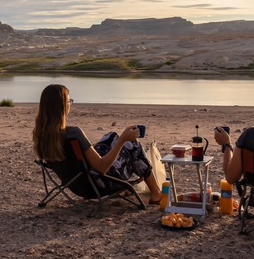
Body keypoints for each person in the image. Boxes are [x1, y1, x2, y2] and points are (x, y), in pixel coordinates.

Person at [32, 84, 163, 204]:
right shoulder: (74, 133)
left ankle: (131, 188)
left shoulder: (41, 135)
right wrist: (123, 139)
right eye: (68, 101)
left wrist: (118, 139)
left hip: (77, 185)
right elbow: (101, 168)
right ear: (62, 106)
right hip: (99, 185)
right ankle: (156, 193)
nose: (70, 104)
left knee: (111, 136)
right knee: (132, 145)